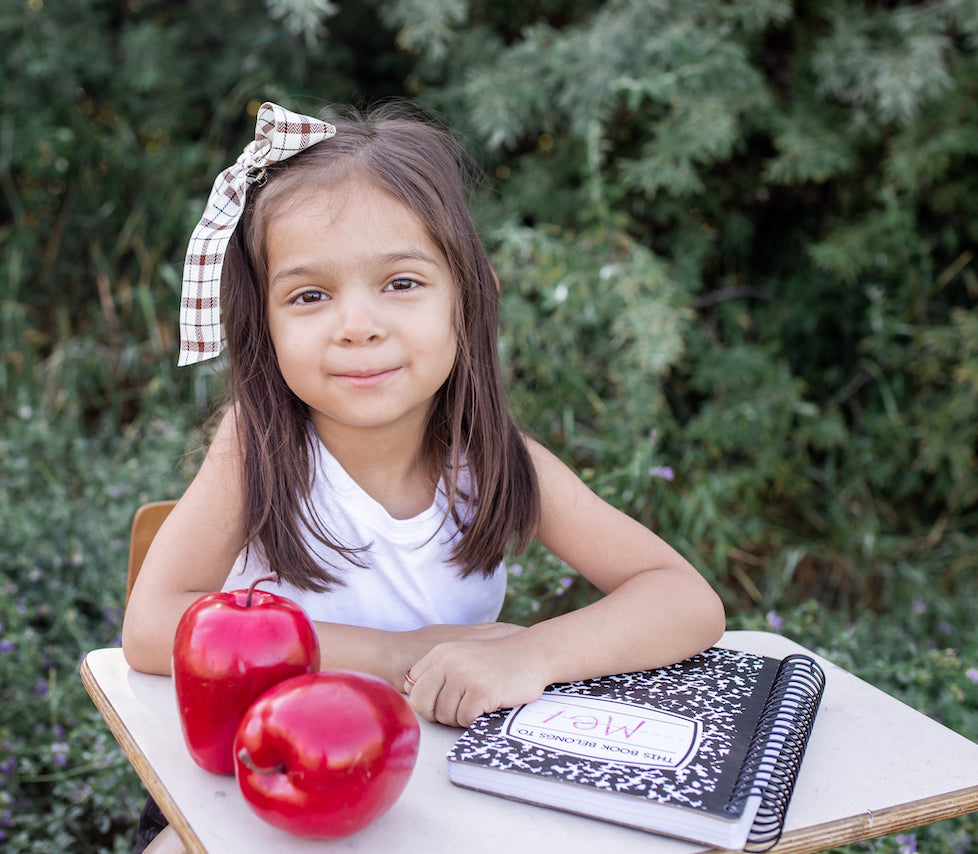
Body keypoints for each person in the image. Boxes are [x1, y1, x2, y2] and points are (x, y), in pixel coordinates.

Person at [120, 101, 725, 850]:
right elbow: (150, 629)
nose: (358, 325)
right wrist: (399, 656)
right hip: (260, 787)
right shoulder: (260, 448)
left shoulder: (496, 458)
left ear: (464, 301)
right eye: (310, 296)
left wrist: (532, 655)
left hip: (442, 794)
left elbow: (684, 599)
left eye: (401, 283)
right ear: (264, 325)